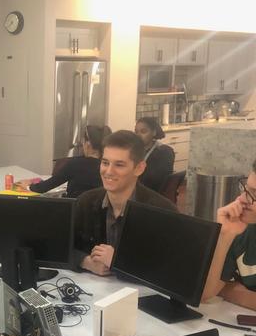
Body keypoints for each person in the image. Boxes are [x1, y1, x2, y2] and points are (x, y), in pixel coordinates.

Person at [74, 130, 177, 276]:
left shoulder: (162, 211)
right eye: (105, 163)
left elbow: (170, 269)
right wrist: (85, 262)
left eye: (119, 165)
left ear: (139, 168)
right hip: (94, 292)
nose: (109, 171)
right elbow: (61, 245)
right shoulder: (86, 201)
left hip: (142, 295)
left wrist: (118, 262)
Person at [202, 162, 256, 309]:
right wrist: (224, 236)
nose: (242, 199)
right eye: (245, 188)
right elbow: (205, 293)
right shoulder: (243, 230)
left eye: (254, 194)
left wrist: (229, 289)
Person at [15, 125, 111, 198]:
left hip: (74, 212)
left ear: (88, 143)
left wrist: (28, 186)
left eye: (83, 141)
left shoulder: (75, 164)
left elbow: (45, 187)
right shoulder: (109, 166)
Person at [134, 117, 175, 192]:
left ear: (154, 132)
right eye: (136, 132)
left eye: (143, 132)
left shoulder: (164, 152)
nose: (138, 135)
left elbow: (153, 180)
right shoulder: (136, 150)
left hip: (152, 193)